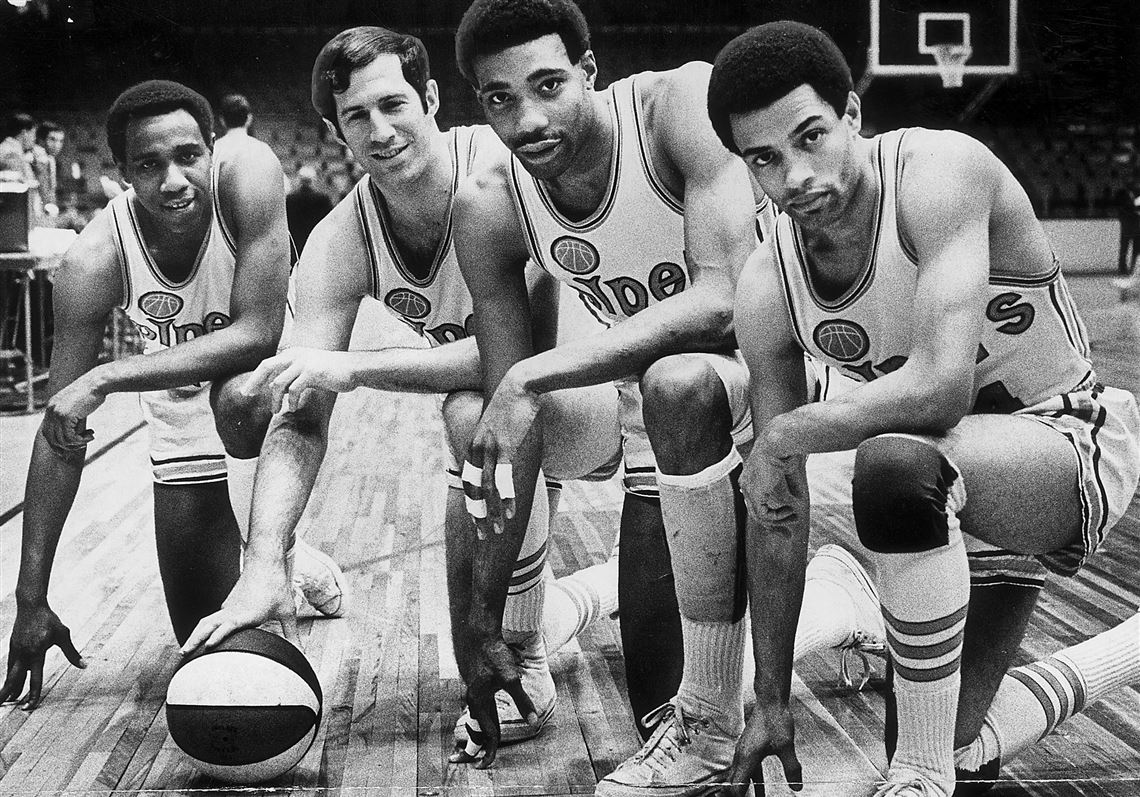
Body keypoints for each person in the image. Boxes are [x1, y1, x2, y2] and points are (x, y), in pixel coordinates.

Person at [446, 0, 886, 784]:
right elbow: (511, 423)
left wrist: (530, 375)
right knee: (658, 703)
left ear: (588, 71)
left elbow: (721, 302)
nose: (528, 118)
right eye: (500, 98)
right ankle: (840, 604)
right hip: (667, 409)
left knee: (674, 381)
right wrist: (482, 619)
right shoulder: (488, 203)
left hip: (793, 376)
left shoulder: (674, 105)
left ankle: (781, 657)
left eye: (547, 85)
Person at [706, 21, 1140, 797]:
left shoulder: (938, 171)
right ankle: (877, 609)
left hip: (1061, 445)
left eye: (810, 136)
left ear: (851, 114)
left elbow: (940, 389)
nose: (794, 173)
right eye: (763, 158)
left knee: (894, 462)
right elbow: (778, 503)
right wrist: (770, 698)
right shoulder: (768, 283)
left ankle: (918, 774)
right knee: (964, 744)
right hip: (950, 490)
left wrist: (786, 432)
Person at [178, 26, 625, 751]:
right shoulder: (341, 239)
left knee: (474, 413)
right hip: (521, 431)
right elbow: (300, 406)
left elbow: (518, 359)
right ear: (336, 131)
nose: (380, 131)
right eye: (356, 116)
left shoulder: (499, 170)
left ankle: (526, 654)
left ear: (432, 98)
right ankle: (594, 595)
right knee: (475, 456)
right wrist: (263, 561)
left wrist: (358, 368)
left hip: (610, 400)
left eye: (393, 105)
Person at [0, 80, 345, 710]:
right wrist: (31, 598)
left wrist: (106, 376)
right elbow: (59, 432)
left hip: (264, 383)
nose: (174, 181)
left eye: (188, 156)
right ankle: (294, 564)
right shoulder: (92, 261)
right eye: (149, 165)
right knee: (206, 645)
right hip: (178, 402)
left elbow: (256, 333)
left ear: (212, 147)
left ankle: (273, 544)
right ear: (122, 172)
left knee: (238, 397)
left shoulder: (250, 172)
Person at [285, 164, 333, 252]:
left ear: (299, 180)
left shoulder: (289, 200)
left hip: (296, 245)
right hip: (316, 244)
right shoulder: (323, 200)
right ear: (313, 181)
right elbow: (330, 223)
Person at [32, 120, 65, 216]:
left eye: (60, 141)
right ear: (41, 139)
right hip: (36, 211)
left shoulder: (50, 159)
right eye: (52, 139)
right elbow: (44, 191)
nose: (57, 145)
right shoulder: (38, 156)